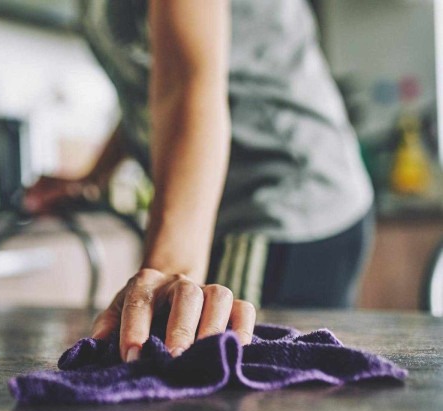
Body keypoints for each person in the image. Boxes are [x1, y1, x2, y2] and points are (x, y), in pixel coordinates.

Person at [25, 0, 374, 363]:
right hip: (240, 205)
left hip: (286, 195)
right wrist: (94, 176)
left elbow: (184, 82)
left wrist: (169, 273)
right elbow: (151, 93)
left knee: (211, 370)